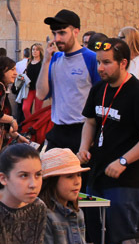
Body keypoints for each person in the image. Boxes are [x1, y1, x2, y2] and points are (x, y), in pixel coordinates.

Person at [77, 39, 139, 244]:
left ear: (123, 63)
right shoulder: (99, 89)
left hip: (127, 179)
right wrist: (84, 147)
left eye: (106, 62)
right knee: (95, 233)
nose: (100, 68)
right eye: (98, 62)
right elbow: (90, 121)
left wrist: (124, 161)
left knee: (121, 237)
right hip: (98, 173)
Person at [36, 10, 100, 153]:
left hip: (82, 130)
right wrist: (45, 61)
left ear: (76, 32)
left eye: (62, 33)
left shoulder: (91, 58)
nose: (57, 38)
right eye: (54, 34)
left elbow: (100, 97)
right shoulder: (54, 58)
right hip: (57, 130)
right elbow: (41, 94)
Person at [19, 43, 44, 122]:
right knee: (25, 108)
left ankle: (36, 126)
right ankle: (31, 123)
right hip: (29, 88)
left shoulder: (42, 63)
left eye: (37, 50)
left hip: (39, 90)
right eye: (33, 49)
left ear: (40, 51)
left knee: (37, 111)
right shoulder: (29, 62)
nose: (34, 51)